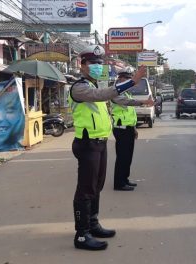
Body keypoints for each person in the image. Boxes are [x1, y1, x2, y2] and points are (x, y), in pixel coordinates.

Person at [68, 45, 146, 251]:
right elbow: (102, 95)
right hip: (87, 144)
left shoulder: (93, 85)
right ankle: (82, 234)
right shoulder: (80, 87)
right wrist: (132, 82)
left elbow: (103, 99)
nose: (96, 66)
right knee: (85, 189)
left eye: (99, 63)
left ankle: (93, 224)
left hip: (99, 142)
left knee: (97, 186)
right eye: (93, 63)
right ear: (82, 64)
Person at [111, 67, 154, 191]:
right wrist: (144, 102)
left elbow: (131, 113)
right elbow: (127, 102)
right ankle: (119, 183)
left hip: (128, 128)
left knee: (128, 156)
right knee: (122, 157)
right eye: (128, 79)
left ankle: (125, 179)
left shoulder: (127, 92)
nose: (130, 82)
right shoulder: (115, 93)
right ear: (121, 79)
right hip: (121, 128)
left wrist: (134, 128)